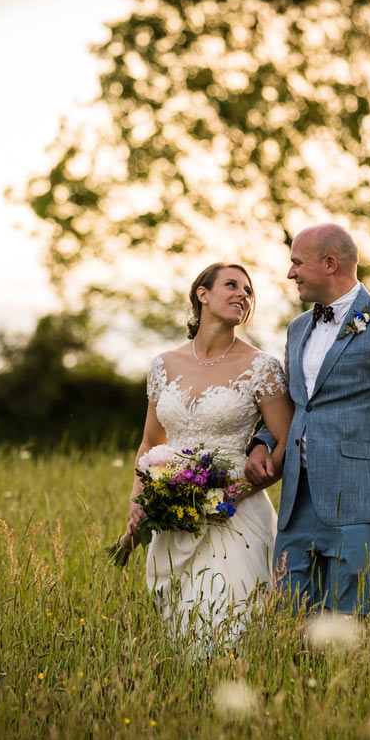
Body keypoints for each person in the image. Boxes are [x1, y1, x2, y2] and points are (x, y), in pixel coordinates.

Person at [245, 223, 370, 616]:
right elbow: (296, 404)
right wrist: (263, 442)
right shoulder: (298, 329)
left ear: (329, 263)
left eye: (297, 263)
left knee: (348, 625)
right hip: (297, 504)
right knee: (288, 621)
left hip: (360, 506)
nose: (290, 273)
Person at [122, 263, 293, 648]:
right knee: (183, 630)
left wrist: (234, 492)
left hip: (235, 516)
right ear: (202, 294)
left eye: (248, 291)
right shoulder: (164, 365)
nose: (242, 295)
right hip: (173, 519)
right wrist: (139, 502)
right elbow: (150, 443)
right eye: (232, 285)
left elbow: (288, 442)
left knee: (228, 628)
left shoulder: (260, 367)